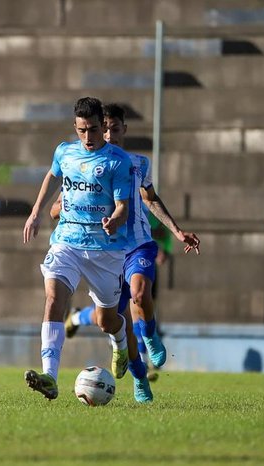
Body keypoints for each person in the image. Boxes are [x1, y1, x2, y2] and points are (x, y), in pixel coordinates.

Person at [57, 104, 200, 398]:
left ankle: (150, 335)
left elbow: (151, 199)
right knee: (111, 320)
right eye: (104, 128)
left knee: (139, 292)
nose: (109, 134)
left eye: (115, 128)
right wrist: (65, 209)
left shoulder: (137, 164)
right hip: (104, 253)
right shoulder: (84, 162)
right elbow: (59, 204)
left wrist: (176, 231)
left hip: (136, 244)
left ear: (124, 129)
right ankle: (139, 378)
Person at [22, 97, 133, 401]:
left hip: (105, 250)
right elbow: (52, 176)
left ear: (103, 126)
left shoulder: (117, 161)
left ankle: (120, 341)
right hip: (67, 241)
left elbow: (123, 205)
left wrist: (114, 219)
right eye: (82, 130)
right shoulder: (65, 151)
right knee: (54, 296)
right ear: (75, 127)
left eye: (94, 130)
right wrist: (35, 213)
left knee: (106, 319)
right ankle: (50, 376)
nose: (88, 138)